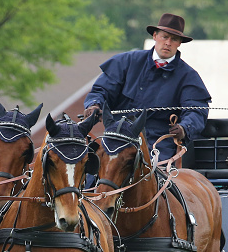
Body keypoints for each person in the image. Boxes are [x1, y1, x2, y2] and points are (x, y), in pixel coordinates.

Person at [83, 13, 211, 163]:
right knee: (92, 177)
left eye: (174, 39)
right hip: (117, 138)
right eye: (165, 37)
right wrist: (94, 105)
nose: (168, 43)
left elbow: (196, 110)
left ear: (179, 43)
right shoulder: (126, 62)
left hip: (159, 144)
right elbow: (101, 90)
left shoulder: (188, 76)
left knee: (158, 179)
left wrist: (184, 128)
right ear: (155, 36)